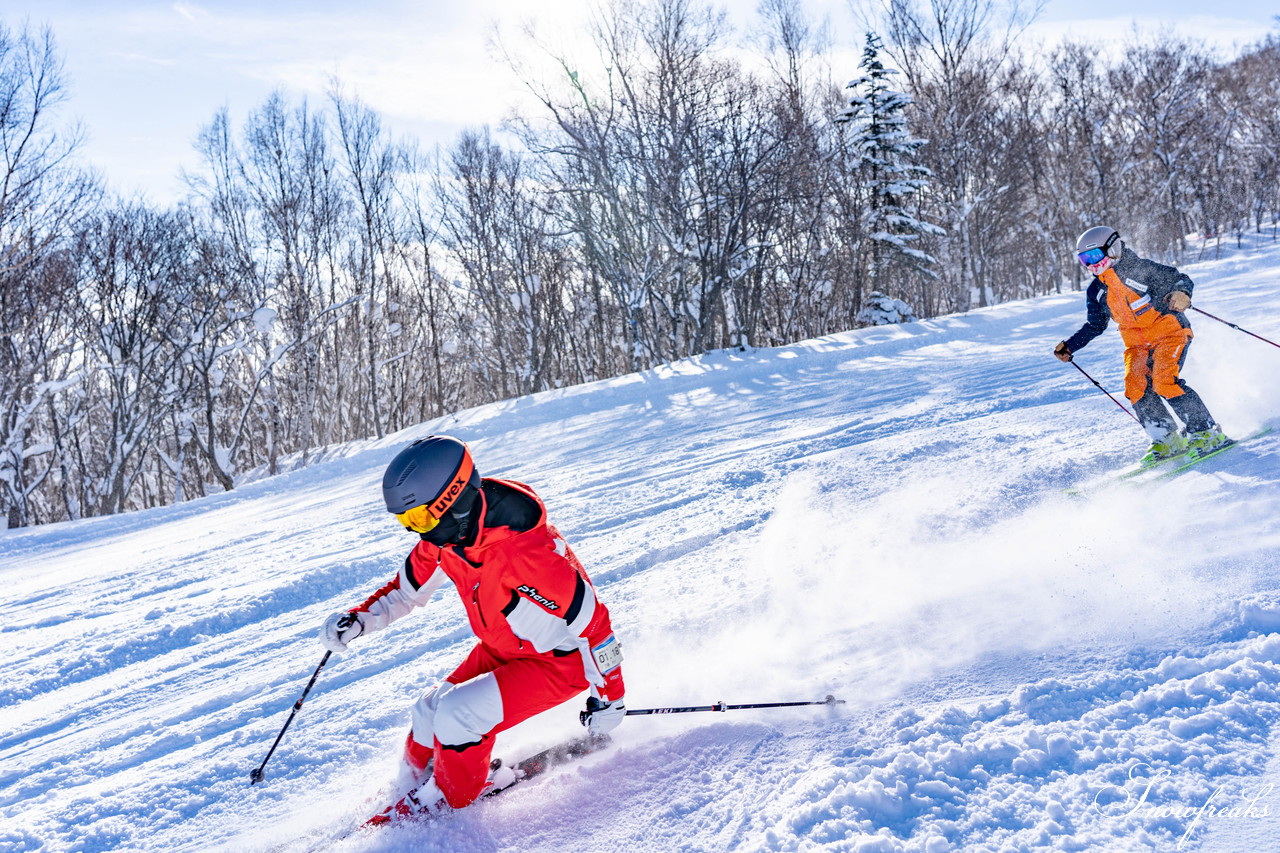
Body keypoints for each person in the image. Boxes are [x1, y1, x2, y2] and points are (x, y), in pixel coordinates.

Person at [319, 435, 626, 814]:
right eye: (406, 520)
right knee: (428, 710)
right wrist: (359, 621)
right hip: (503, 648)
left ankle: (450, 800)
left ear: (453, 499)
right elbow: (406, 589)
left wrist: (611, 698)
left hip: (557, 663)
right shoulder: (447, 537)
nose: (415, 531)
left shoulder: (528, 555)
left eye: (420, 517)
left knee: (458, 716)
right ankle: (415, 780)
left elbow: (595, 625)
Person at [1054, 225, 1229, 465]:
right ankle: (1166, 437)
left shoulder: (1139, 269)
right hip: (1137, 346)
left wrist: (1182, 293)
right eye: (1085, 260)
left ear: (1113, 249)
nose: (1091, 264)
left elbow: (1180, 279)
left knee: (1164, 381)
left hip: (1170, 333)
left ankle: (1206, 432)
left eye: (1095, 256)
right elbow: (1095, 325)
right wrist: (1070, 346)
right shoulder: (1097, 290)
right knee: (1135, 385)